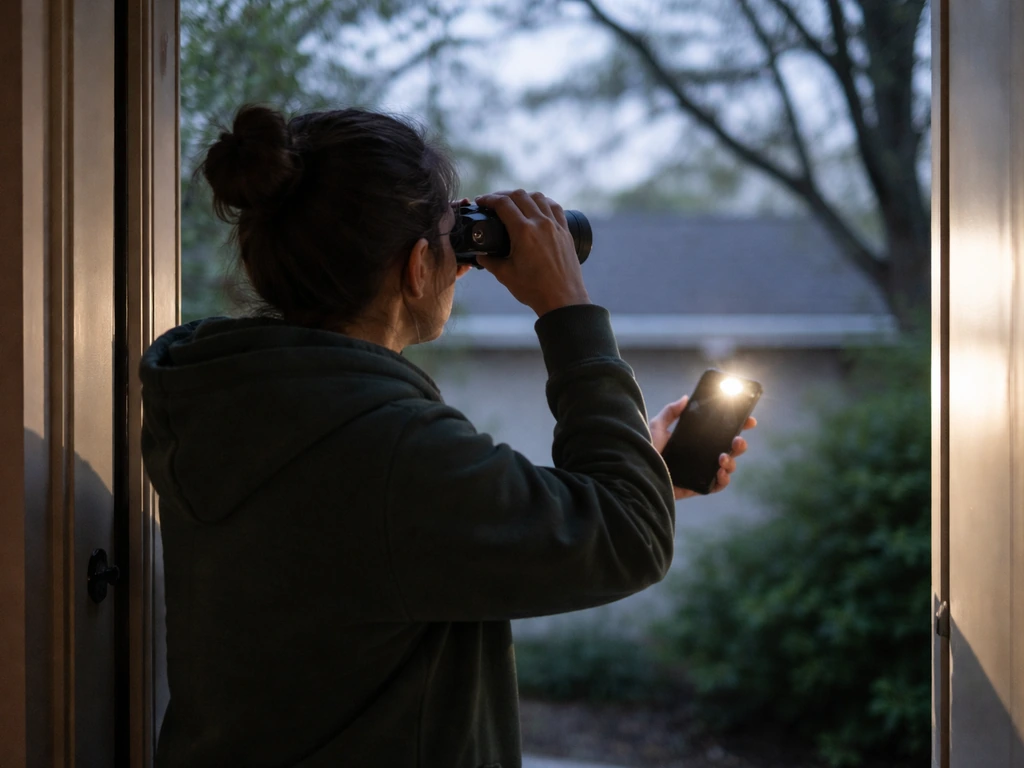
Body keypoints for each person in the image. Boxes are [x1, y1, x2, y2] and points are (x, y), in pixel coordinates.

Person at [139, 104, 755, 768]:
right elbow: (627, 538)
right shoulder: (386, 448)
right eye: (454, 239)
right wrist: (567, 307)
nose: (466, 264)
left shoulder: (227, 407)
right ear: (414, 269)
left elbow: (401, 534)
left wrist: (641, 475)